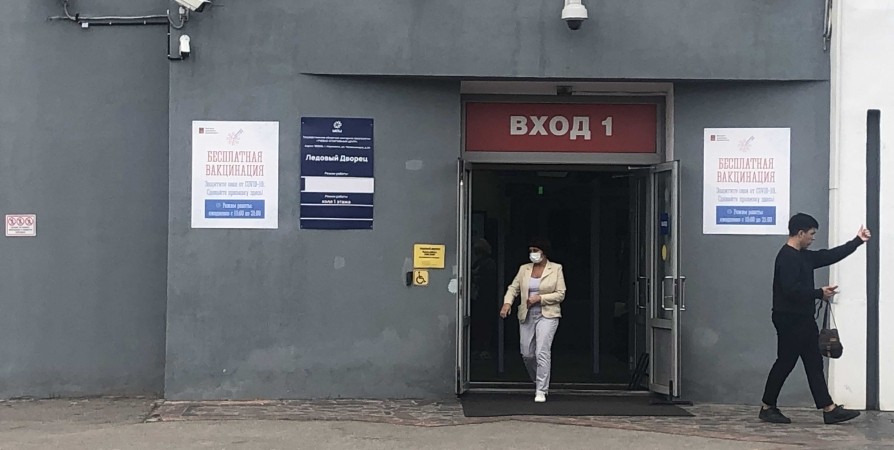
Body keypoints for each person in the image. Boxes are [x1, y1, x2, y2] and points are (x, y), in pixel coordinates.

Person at [759, 213, 871, 424]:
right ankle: (768, 407)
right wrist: (819, 293)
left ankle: (827, 408)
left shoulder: (803, 256)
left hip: (801, 318)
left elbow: (830, 256)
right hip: (790, 319)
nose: (813, 238)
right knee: (789, 363)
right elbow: (791, 290)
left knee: (809, 362)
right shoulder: (787, 257)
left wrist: (857, 241)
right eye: (811, 234)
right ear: (800, 233)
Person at [499, 238, 566, 403]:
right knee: (527, 353)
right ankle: (538, 379)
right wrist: (507, 303)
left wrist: (540, 298)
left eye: (535, 250)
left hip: (548, 314)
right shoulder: (524, 269)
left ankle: (541, 389)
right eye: (530, 251)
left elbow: (560, 294)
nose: (532, 254)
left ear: (544, 252)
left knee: (541, 351)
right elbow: (513, 288)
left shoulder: (556, 268)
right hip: (527, 314)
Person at [470, 238, 498, 360]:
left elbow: (489, 280)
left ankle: (485, 348)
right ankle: (478, 347)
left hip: (485, 298)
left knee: (485, 323)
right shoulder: (478, 262)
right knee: (478, 323)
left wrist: (475, 277)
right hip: (477, 297)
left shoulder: (489, 263)